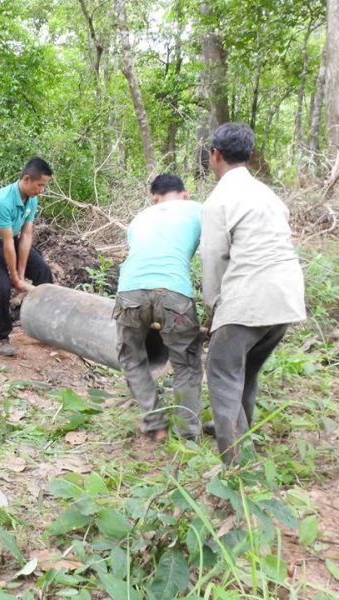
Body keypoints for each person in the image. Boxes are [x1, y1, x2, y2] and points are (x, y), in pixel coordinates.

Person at [201, 123, 306, 464]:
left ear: (215, 155)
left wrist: (212, 309)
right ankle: (231, 430)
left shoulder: (219, 199)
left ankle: (237, 463)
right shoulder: (268, 195)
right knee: (244, 373)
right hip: (285, 298)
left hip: (248, 299)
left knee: (221, 373)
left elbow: (214, 260)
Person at [113, 175, 203, 441]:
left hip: (130, 292)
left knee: (131, 357)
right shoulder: (198, 209)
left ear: (154, 197)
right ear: (185, 194)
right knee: (186, 364)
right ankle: (187, 434)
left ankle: (155, 423)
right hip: (174, 292)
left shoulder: (141, 217)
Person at [0, 157, 54, 356]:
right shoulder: (2, 201)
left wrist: (21, 273)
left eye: (44, 186)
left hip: (10, 237)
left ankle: (41, 326)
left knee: (43, 270)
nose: (42, 190)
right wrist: (15, 279)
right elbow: (7, 243)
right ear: (27, 179)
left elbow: (25, 235)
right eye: (40, 185)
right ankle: (0, 336)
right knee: (1, 285)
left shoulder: (32, 199)